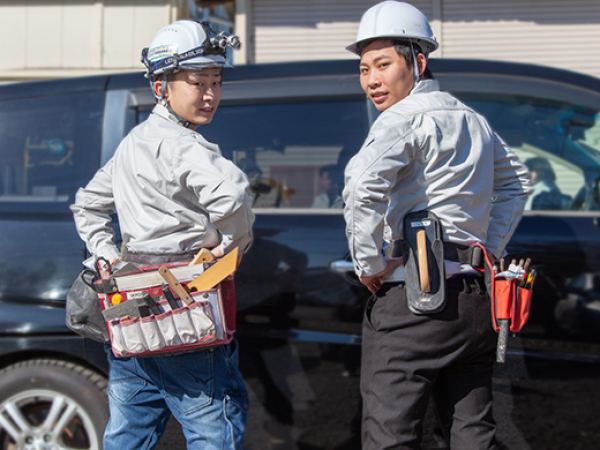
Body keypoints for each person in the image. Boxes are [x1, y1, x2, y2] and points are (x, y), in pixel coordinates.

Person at [342, 2, 532, 449]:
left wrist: (367, 264)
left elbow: (360, 188)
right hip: (474, 301)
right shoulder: (472, 119)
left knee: (391, 436)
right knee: (471, 431)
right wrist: (484, 246)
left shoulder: (402, 119)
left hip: (413, 300)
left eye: (383, 65)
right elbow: (517, 183)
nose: (371, 79)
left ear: (418, 62)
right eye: (364, 68)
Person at [70, 20, 254, 450]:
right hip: (184, 305)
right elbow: (235, 196)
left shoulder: (132, 143)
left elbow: (88, 203)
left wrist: (105, 257)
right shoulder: (188, 146)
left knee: (129, 432)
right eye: (197, 82)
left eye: (215, 81)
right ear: (161, 87)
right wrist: (228, 251)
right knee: (214, 427)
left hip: (129, 307)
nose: (210, 94)